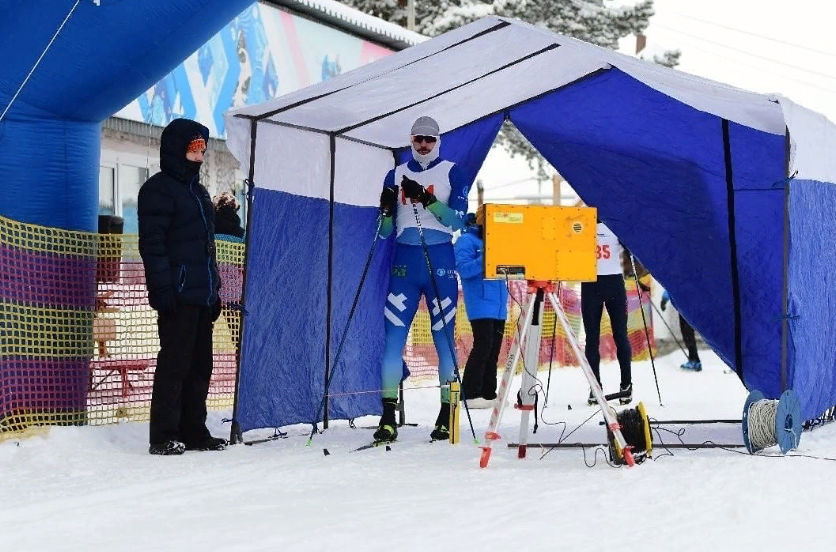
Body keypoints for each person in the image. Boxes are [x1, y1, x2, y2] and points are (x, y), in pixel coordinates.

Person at [374, 115, 468, 443]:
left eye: (430, 139)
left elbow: (457, 222)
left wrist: (427, 200)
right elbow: (384, 232)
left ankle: (446, 415)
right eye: (418, 139)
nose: (424, 145)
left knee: (444, 340)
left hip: (440, 263)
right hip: (405, 265)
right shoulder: (395, 174)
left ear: (438, 141)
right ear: (411, 140)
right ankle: (388, 417)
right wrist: (386, 212)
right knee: (392, 341)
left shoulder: (452, 171)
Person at [138, 118, 226, 456]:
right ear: (177, 150)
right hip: (177, 294)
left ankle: (194, 431)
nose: (200, 156)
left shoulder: (199, 192)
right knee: (175, 364)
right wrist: (162, 290)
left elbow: (207, 247)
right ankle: (163, 435)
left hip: (201, 295)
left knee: (200, 366)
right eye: (194, 150)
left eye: (203, 150)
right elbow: (153, 246)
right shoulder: (158, 190)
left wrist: (214, 289)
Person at [455, 211, 508, 409]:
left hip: (499, 304)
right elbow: (463, 269)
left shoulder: (495, 241)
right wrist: (486, 257)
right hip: (481, 302)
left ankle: (488, 392)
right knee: (483, 346)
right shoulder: (466, 240)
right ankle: (470, 393)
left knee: (493, 350)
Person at [582, 218, 632, 406]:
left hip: (606, 284)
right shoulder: (586, 225)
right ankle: (597, 388)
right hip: (596, 283)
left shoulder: (612, 224)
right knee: (595, 338)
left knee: (616, 336)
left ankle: (625, 385)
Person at [213, 192, 246, 348]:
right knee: (237, 334)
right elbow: (244, 262)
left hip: (212, 288)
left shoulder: (208, 232)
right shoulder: (242, 234)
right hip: (234, 291)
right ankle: (239, 359)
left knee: (204, 333)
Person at [661, 290, 702, 371]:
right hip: (685, 306)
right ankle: (694, 360)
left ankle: (694, 360)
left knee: (688, 333)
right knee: (687, 333)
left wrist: (664, 299)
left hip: (689, 306)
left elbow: (671, 286)